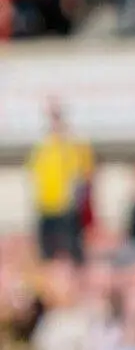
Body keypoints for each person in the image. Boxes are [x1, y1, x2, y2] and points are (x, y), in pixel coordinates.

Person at [27, 107, 92, 264]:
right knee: (46, 253)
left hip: (66, 206)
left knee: (72, 250)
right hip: (46, 206)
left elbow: (83, 172)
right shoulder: (42, 148)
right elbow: (33, 174)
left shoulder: (73, 147)